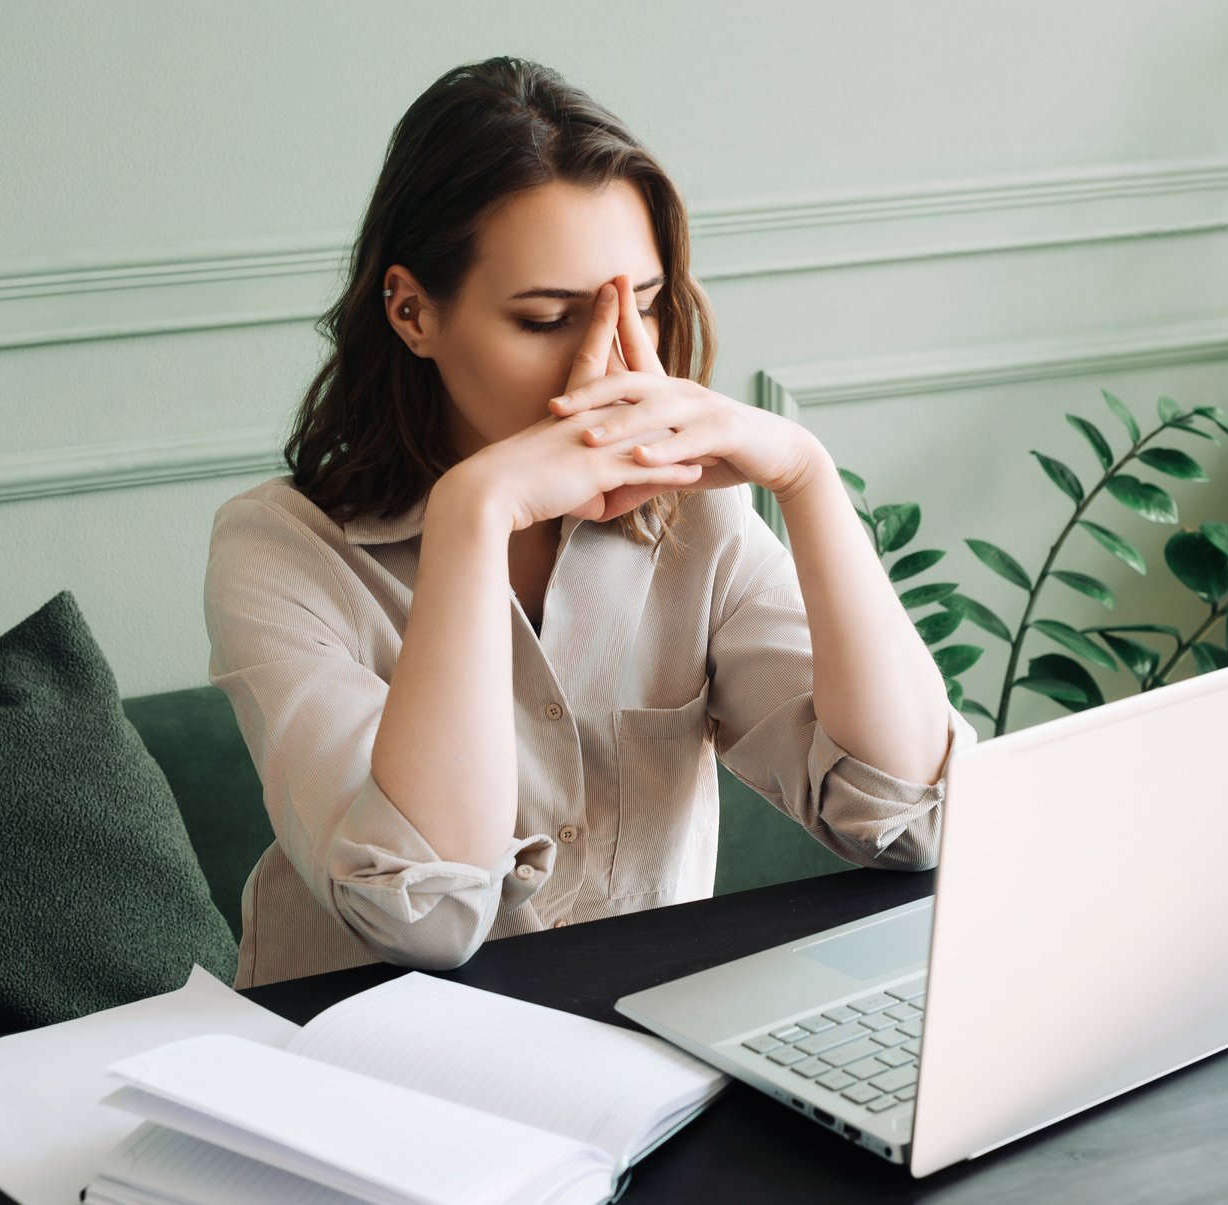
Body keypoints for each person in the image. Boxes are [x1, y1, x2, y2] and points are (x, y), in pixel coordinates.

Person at [203, 55, 976, 989]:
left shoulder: (698, 522)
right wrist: (472, 516)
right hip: (355, 1071)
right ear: (411, 310)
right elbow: (426, 915)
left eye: (642, 306)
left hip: (640, 1063)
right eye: (545, 319)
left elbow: (907, 820)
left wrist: (805, 478)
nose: (611, 365)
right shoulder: (276, 550)